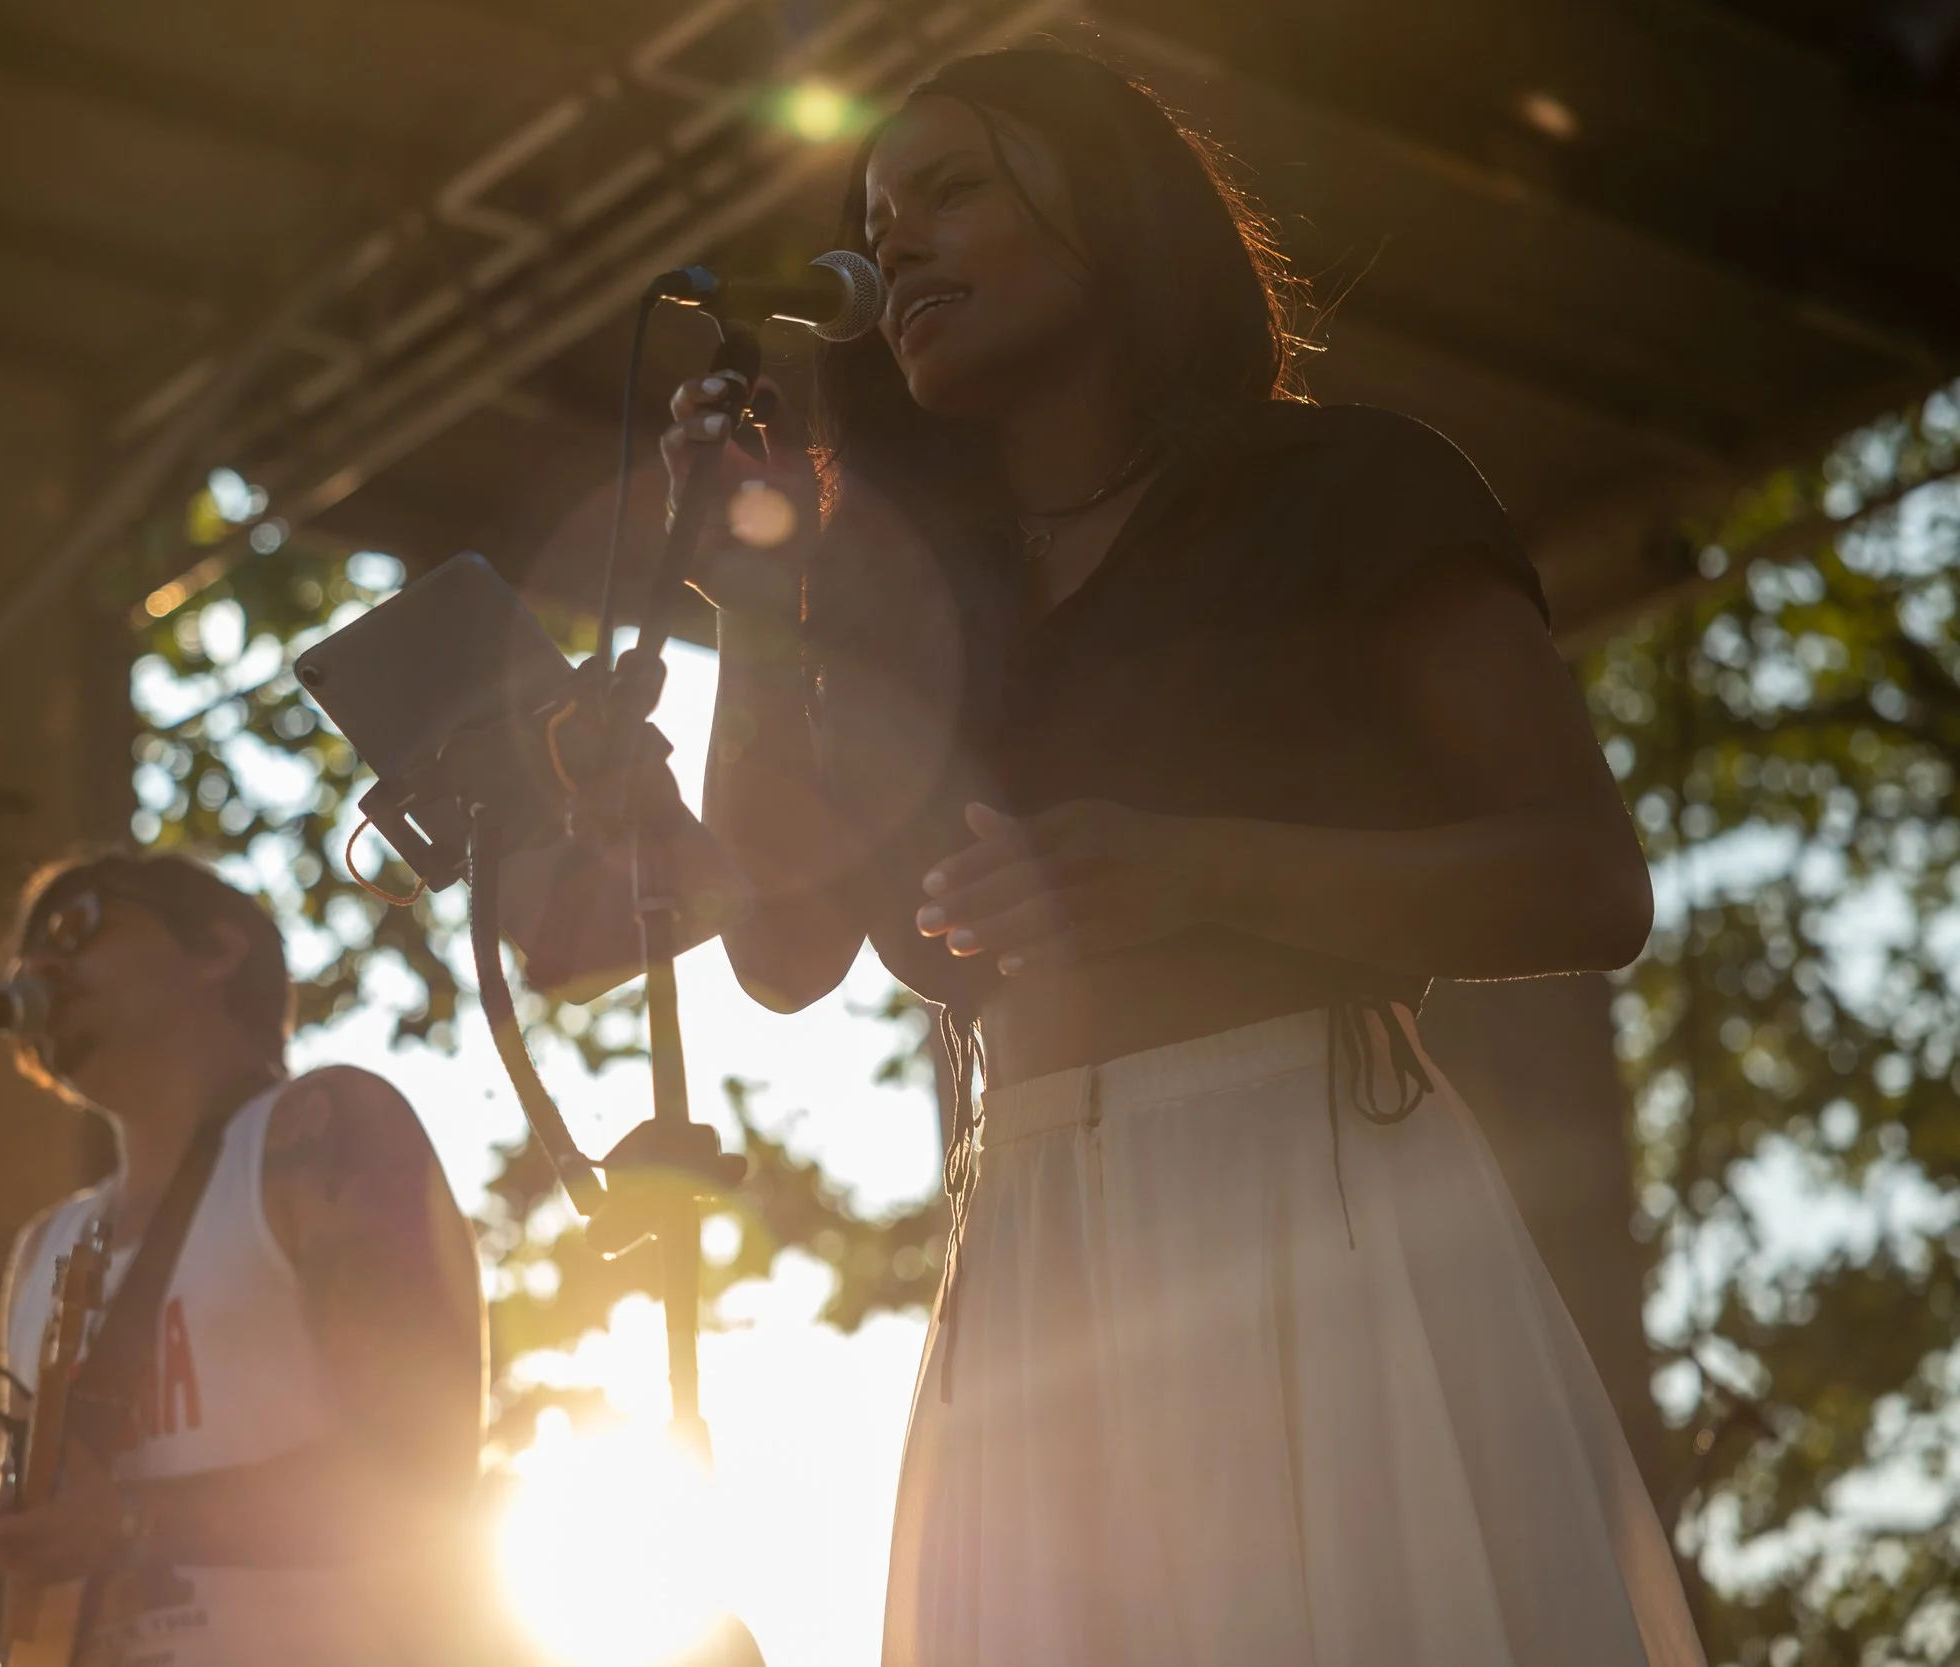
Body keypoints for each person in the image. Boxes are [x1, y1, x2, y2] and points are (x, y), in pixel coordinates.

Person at [669, 41, 1705, 1667]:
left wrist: (1197, 866)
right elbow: (781, 948)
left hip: (1307, 1201)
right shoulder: (917, 605)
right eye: (880, 214)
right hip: (1023, 1253)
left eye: (951, 189)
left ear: (1113, 207)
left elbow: (1590, 882)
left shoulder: (1348, 485)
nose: (900, 243)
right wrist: (747, 603)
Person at [0, 851, 488, 1666]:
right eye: (25, 949)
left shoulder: (321, 1127)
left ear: (218, 950)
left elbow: (421, 1468)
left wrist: (126, 1516)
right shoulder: (41, 1247)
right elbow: (50, 1599)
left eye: (78, 925)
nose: (36, 964)